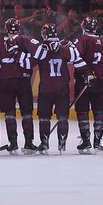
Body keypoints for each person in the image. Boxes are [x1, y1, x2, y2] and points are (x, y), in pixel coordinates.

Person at [31, 23, 86, 154]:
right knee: (62, 117)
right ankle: (62, 144)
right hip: (62, 88)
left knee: (44, 117)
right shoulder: (63, 48)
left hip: (45, 88)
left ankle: (44, 143)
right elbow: (77, 59)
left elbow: (29, 63)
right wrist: (88, 74)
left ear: (44, 34)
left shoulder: (41, 49)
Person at [0, 18, 41, 155]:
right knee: (27, 113)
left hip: (5, 83)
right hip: (23, 81)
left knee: (9, 113)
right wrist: (28, 62)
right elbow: (39, 53)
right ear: (19, 28)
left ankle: (13, 143)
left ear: (6, 28)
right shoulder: (26, 40)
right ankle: (28, 143)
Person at [72, 16, 103, 154]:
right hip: (100, 83)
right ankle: (98, 139)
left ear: (84, 27)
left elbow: (75, 57)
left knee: (82, 110)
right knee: (99, 111)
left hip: (84, 82)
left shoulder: (81, 40)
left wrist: (87, 72)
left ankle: (85, 140)